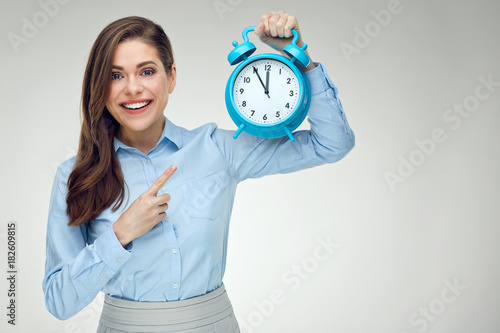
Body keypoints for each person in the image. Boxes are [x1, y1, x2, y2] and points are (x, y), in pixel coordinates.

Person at [43, 10, 355, 333]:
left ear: (171, 77)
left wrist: (302, 60)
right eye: (116, 75)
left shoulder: (217, 149)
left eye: (147, 71)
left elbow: (331, 143)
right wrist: (120, 235)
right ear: (100, 86)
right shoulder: (75, 176)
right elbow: (59, 302)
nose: (132, 88)